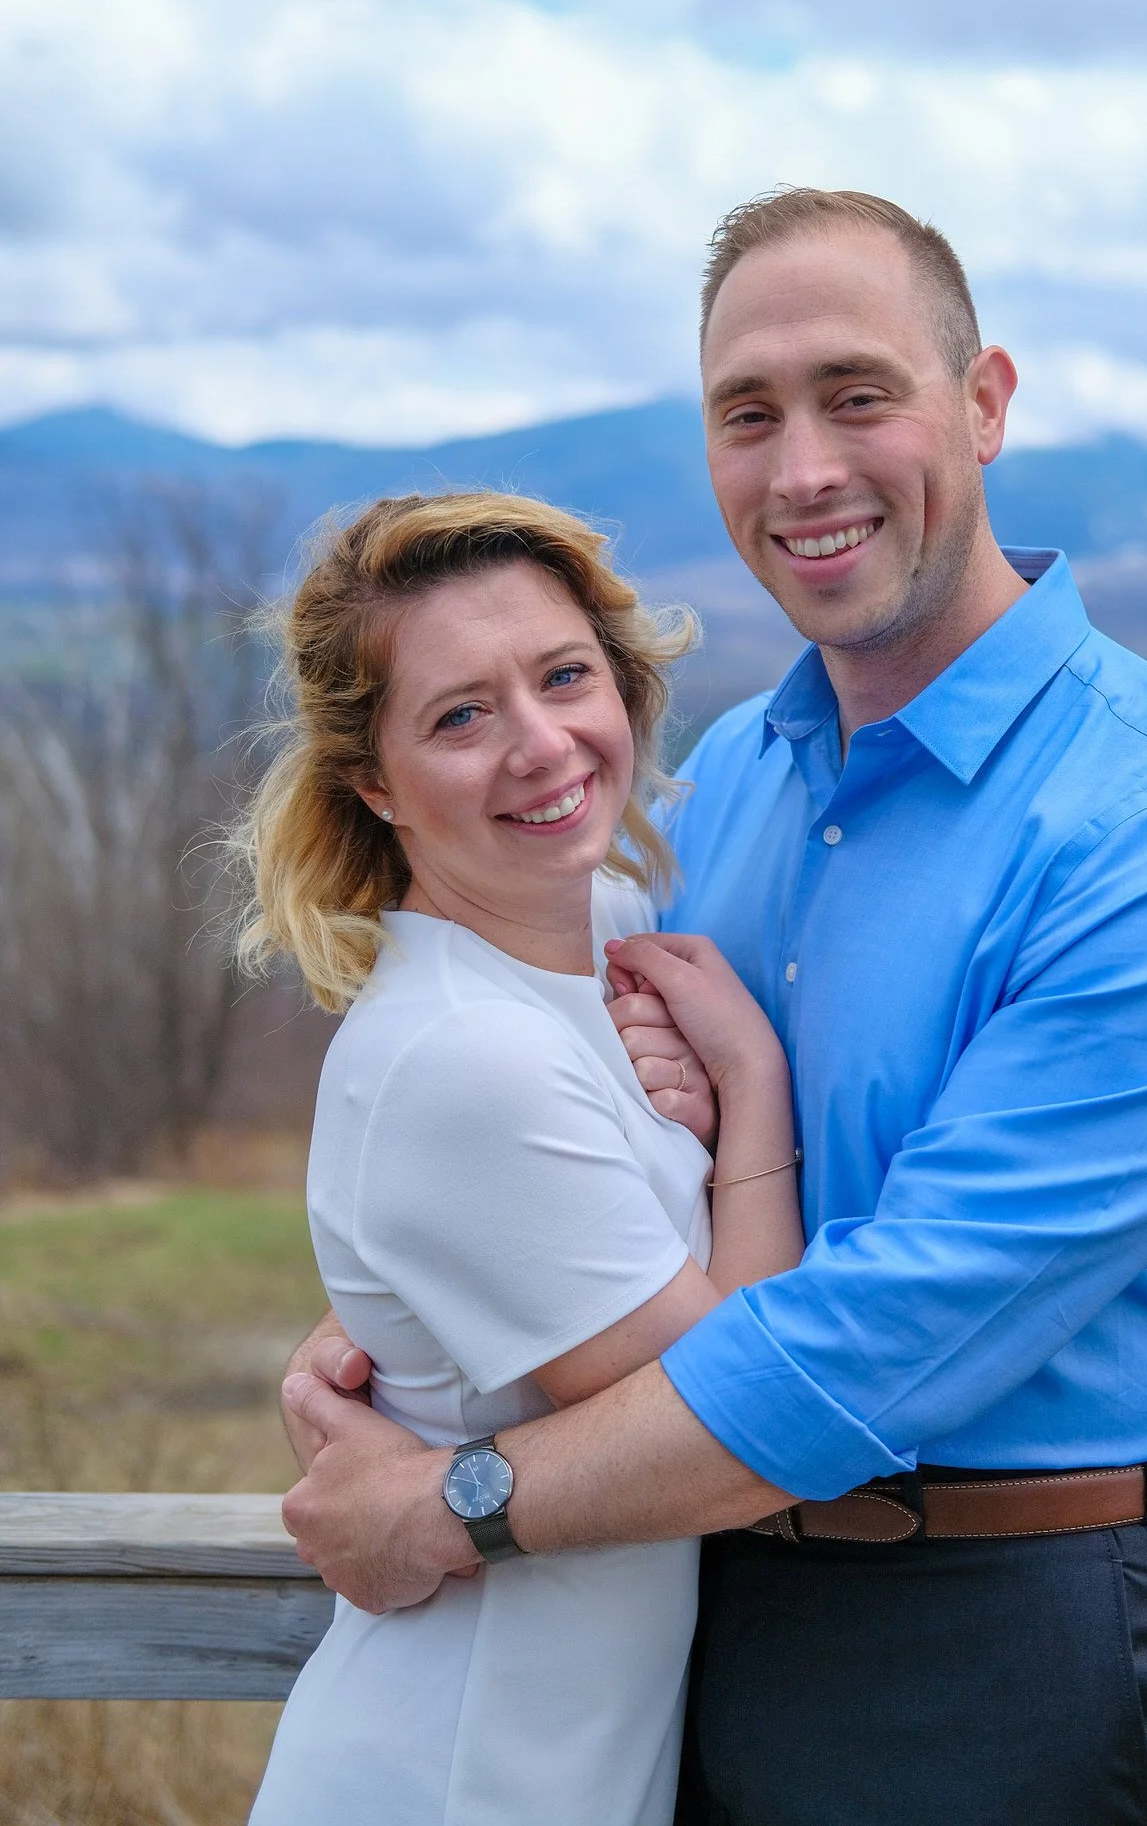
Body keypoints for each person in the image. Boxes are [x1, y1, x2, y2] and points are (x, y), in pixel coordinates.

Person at [279, 191, 1147, 1826]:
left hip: (1007, 1623)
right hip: (688, 1589)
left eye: (858, 395)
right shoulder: (719, 804)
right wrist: (426, 1344)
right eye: (747, 416)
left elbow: (892, 1335)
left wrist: (455, 1499)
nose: (803, 471)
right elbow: (549, 1154)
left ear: (983, 402)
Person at [235, 490, 804, 1825]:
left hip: (576, 1759)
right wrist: (755, 1087)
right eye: (459, 716)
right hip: (459, 1774)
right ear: (375, 783)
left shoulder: (607, 925)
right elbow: (735, 1412)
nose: (542, 746)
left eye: (563, 678)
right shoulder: (461, 1059)